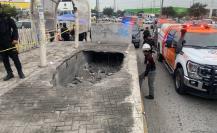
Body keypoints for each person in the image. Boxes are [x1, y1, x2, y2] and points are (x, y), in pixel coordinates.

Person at [0, 12, 25, 81]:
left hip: (9, 42)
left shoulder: (7, 17)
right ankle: (10, 73)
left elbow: (14, 28)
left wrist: (15, 38)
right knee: (5, 60)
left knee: (15, 58)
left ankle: (20, 72)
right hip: (1, 45)